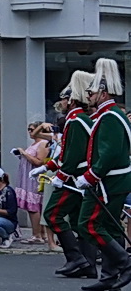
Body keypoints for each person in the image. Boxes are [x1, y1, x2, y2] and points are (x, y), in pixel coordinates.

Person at [79, 59, 131, 291]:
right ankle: (111, 275)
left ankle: (124, 263)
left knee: (88, 223)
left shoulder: (110, 116)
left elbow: (108, 153)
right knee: (109, 227)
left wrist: (91, 176)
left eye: (92, 90)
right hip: (114, 179)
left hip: (111, 179)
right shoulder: (108, 114)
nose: (88, 94)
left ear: (103, 92)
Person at [48, 71, 100, 279]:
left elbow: (74, 154)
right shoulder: (79, 119)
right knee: (80, 221)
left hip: (74, 178)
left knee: (52, 214)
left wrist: (61, 175)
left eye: (63, 98)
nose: (60, 102)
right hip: (79, 177)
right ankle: (87, 264)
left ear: (70, 99)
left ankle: (75, 258)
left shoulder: (76, 120)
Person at [14, 120, 56, 249]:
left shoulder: (43, 143)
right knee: (32, 206)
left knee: (34, 206)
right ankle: (40, 234)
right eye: (29, 129)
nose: (30, 132)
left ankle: (37, 234)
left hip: (36, 178)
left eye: (32, 129)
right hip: (28, 176)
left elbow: (40, 162)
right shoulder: (35, 143)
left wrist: (24, 153)